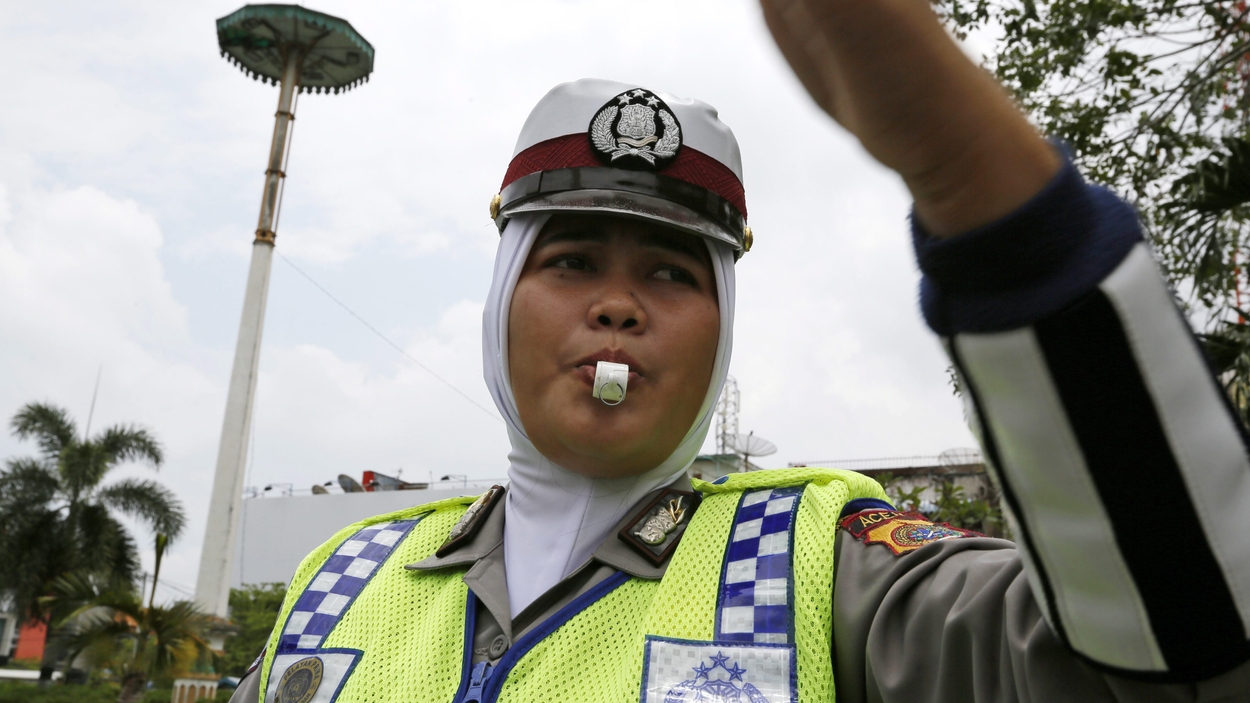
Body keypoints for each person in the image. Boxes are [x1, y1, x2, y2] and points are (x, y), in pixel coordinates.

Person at [230, 0, 1250, 701]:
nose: (619, 305)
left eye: (674, 275)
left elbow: (1178, 664)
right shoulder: (339, 579)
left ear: (724, 319)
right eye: (573, 260)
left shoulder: (832, 567)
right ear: (500, 296)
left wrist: (988, 201)